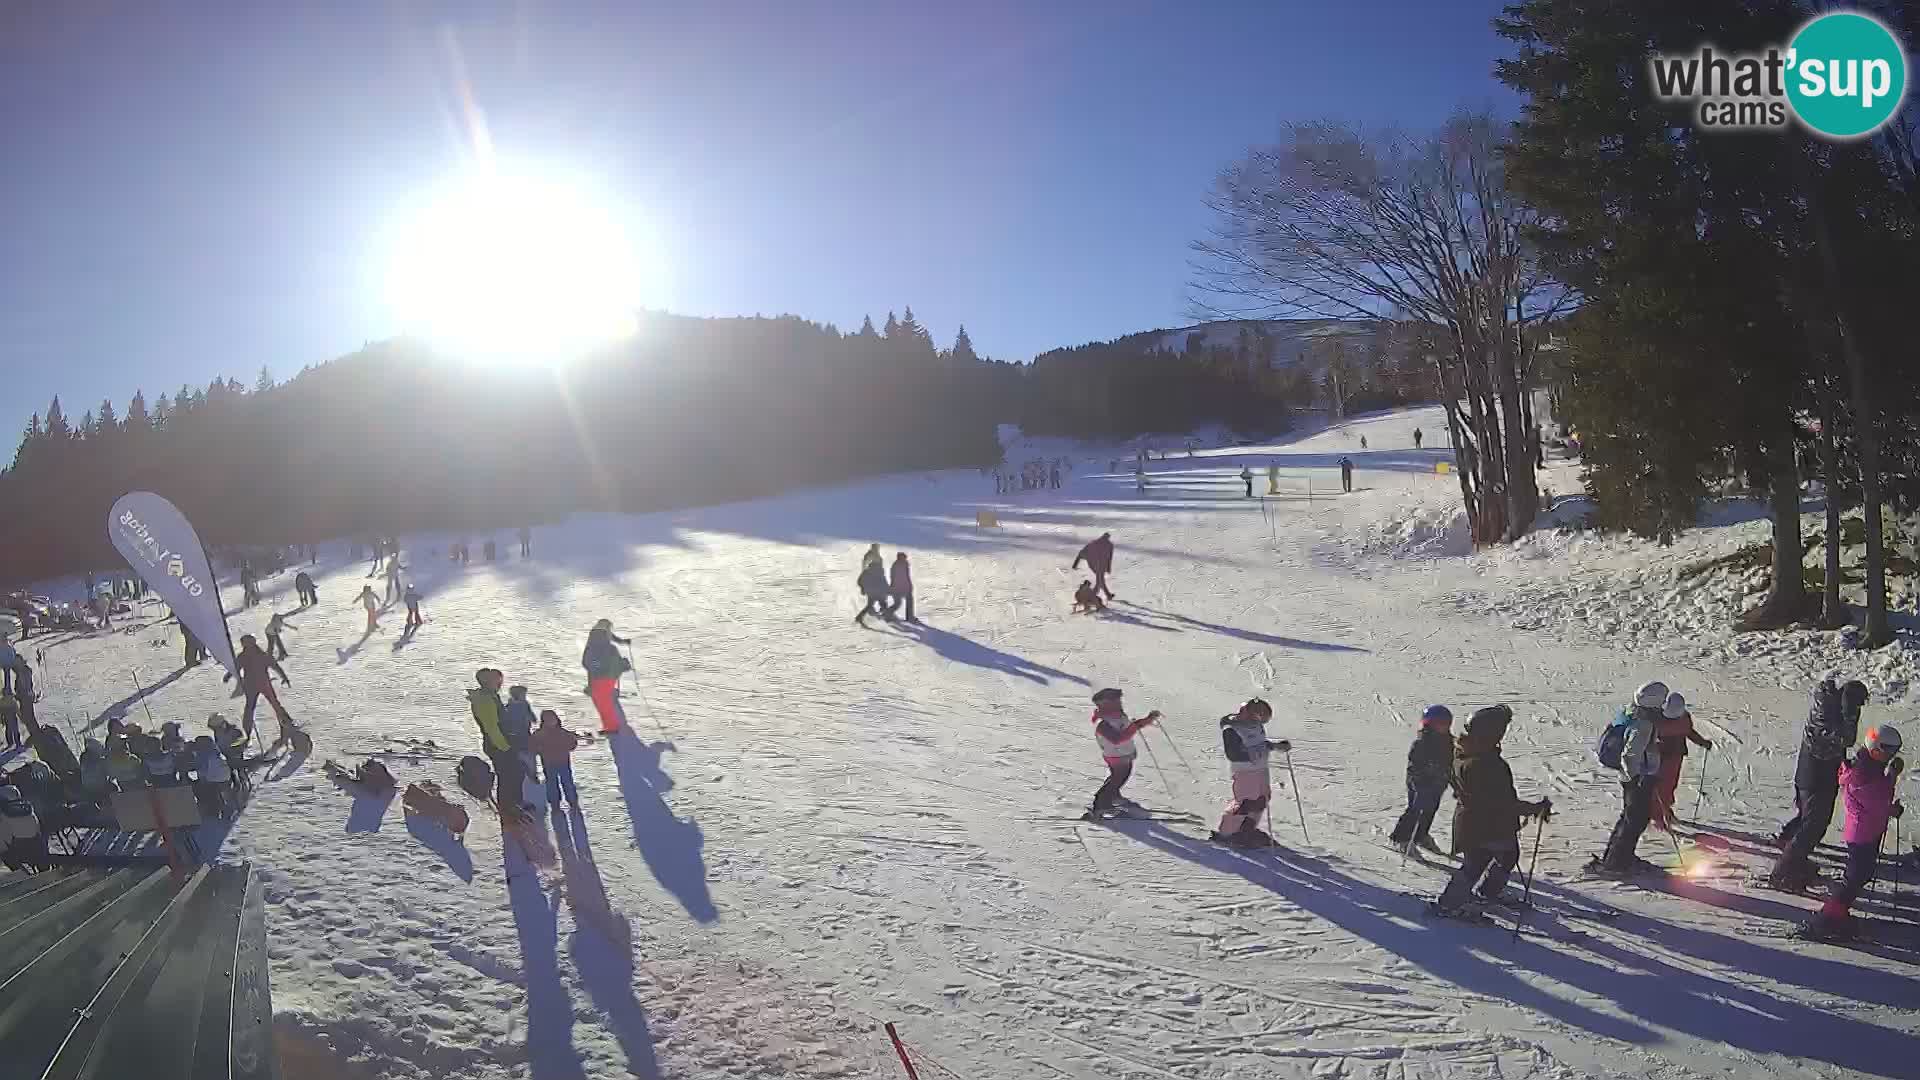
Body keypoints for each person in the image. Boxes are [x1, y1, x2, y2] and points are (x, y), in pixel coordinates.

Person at [1432, 705, 1552, 916]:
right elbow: (1501, 803)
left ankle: (1484, 895)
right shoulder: (1487, 764)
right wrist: (1534, 809)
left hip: (1474, 821)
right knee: (1478, 862)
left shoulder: (1464, 752)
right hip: (1487, 824)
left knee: (1502, 856)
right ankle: (1449, 904)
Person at [1802, 725, 1904, 939]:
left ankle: (1837, 915)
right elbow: (1878, 801)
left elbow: (1880, 794)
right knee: (1854, 878)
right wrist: (1892, 804)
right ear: (1877, 749)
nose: (1891, 756)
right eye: (1889, 751)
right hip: (1862, 835)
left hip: (1869, 830)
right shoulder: (1862, 774)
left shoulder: (1871, 766)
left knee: (1861, 874)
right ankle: (1827, 920)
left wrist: (1891, 775)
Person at [1772, 678, 1869, 889]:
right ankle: (1783, 873)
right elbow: (1847, 739)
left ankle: (1790, 850)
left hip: (1813, 773)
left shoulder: (1827, 704)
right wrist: (1850, 713)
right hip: (1816, 778)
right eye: (1858, 704)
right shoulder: (1828, 715)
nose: (1859, 708)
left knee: (1808, 821)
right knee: (1813, 827)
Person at [1592, 681, 1665, 875]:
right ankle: (1617, 863)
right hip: (1637, 778)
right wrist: (1635, 779)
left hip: (1634, 776)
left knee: (1630, 818)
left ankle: (1618, 857)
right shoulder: (1643, 724)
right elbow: (1630, 754)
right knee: (1635, 819)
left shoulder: (1632, 712)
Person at [1212, 698, 1290, 847]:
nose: (1258, 725)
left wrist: (1275, 746)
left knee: (1262, 799)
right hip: (1245, 772)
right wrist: (1264, 749)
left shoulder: (1254, 726)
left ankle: (1247, 829)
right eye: (1257, 720)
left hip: (1260, 769)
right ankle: (1227, 833)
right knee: (1246, 802)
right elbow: (1234, 755)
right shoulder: (1232, 730)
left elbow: (1259, 743)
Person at [1389, 705, 1454, 854]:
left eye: (1446, 724)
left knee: (1430, 810)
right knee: (1415, 810)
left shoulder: (1449, 742)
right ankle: (1401, 838)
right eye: (1439, 724)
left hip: (1439, 782)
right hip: (1420, 783)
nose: (1443, 727)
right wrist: (1420, 779)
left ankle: (1421, 835)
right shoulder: (1422, 742)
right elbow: (1414, 764)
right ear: (1429, 724)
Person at [1086, 687, 1159, 816]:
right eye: (1115, 701)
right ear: (1107, 705)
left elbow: (1130, 726)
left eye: (1119, 701)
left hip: (1124, 753)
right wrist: (1135, 727)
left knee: (1117, 778)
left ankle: (1113, 796)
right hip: (1116, 756)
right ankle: (1101, 804)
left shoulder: (1119, 716)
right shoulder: (1104, 725)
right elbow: (1117, 739)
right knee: (1117, 779)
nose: (1119, 703)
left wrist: (1147, 720)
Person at [467, 668, 528, 815]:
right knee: (509, 775)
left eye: (500, 679)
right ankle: (509, 808)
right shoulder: (485, 700)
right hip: (497, 744)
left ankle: (515, 804)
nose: (500, 683)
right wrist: (505, 747)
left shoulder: (491, 696)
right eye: (497, 680)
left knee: (515, 773)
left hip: (502, 742)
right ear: (486, 681)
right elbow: (491, 727)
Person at [1651, 691, 1712, 829]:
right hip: (1661, 758)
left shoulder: (1681, 719)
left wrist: (1702, 742)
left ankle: (1665, 811)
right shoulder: (1660, 720)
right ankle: (1657, 815)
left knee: (1669, 786)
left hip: (1675, 757)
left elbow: (1689, 732)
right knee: (1660, 787)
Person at [224, 634, 295, 746]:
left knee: (252, 708)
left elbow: (236, 668)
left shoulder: (246, 656)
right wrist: (284, 677)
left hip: (254, 685)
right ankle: (287, 724)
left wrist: (228, 676)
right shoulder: (258, 655)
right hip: (261, 684)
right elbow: (275, 666)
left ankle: (249, 733)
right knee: (273, 705)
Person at [582, 620, 632, 733]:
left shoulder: (593, 647)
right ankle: (610, 726)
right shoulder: (609, 646)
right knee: (604, 702)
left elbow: (588, 664)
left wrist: (591, 684)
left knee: (603, 704)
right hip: (608, 678)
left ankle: (612, 727)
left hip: (600, 679)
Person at [531, 709, 581, 809]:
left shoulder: (562, 732)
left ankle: (572, 801)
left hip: (563, 762)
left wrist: (568, 746)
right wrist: (541, 750)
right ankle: (555, 803)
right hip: (548, 763)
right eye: (548, 720)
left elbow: (572, 744)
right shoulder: (540, 734)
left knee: (567, 782)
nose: (551, 722)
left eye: (552, 719)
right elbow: (533, 746)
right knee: (551, 783)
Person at [0, 785, 48, 873]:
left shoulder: (3, 817)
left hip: (18, 854)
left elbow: (3, 846)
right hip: (38, 852)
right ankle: (44, 871)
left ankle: (20, 874)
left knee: (4, 850)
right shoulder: (29, 810)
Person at [503, 685, 540, 785]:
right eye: (523, 694)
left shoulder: (521, 704)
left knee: (528, 757)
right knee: (525, 757)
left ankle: (530, 776)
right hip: (518, 736)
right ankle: (530, 777)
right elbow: (531, 718)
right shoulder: (513, 707)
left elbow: (532, 718)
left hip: (523, 735)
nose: (525, 696)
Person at [1072, 532, 1116, 601]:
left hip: (1093, 564)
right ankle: (1092, 596)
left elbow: (1082, 552)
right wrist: (1108, 567)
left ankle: (1107, 595)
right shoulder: (1110, 545)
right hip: (1101, 565)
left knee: (1100, 579)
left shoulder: (1093, 543)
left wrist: (1075, 564)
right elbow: (1109, 558)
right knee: (1100, 580)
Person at [855, 557, 892, 625]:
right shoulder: (880, 572)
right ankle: (888, 618)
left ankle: (859, 617)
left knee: (869, 606)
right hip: (880, 592)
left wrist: (863, 588)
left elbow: (859, 581)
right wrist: (888, 590)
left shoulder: (866, 571)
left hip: (870, 593)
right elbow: (884, 583)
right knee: (883, 605)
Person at [889, 552, 916, 624]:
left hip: (902, 587)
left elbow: (907, 577)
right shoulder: (898, 565)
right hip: (899, 588)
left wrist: (909, 585)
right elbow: (897, 577)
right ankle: (887, 613)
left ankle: (909, 617)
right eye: (904, 557)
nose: (905, 559)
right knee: (899, 603)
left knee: (905, 601)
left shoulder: (902, 564)